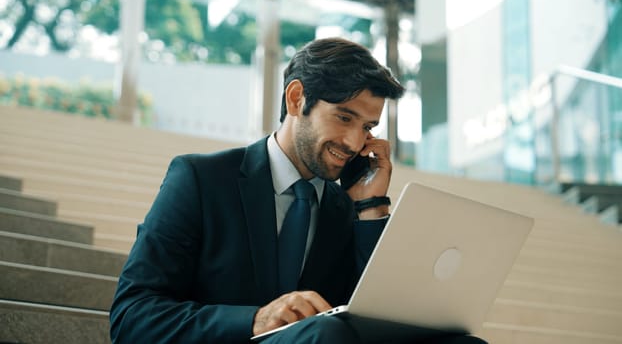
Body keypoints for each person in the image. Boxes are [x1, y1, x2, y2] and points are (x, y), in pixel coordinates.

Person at [109, 37, 486, 344]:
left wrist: (371, 206)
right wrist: (256, 320)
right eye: (344, 117)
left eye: (368, 126)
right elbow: (131, 316)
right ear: (295, 98)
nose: (356, 143)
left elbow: (383, 323)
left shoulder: (347, 208)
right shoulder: (200, 179)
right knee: (324, 334)